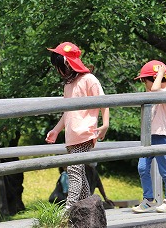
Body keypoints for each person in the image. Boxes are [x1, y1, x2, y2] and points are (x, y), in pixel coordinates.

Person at [45, 42, 110, 210]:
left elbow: (104, 102)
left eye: (58, 66)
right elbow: (68, 112)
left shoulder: (89, 80)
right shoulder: (68, 85)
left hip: (85, 134)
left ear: (67, 64)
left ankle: (68, 211)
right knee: (79, 174)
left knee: (73, 172)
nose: (57, 71)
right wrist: (56, 129)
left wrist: (105, 124)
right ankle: (90, 211)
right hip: (71, 136)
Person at [132, 60, 166, 213]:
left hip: (161, 135)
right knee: (142, 167)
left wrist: (160, 73)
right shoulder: (151, 93)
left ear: (153, 79)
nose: (144, 84)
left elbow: (157, 88)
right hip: (148, 136)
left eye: (145, 80)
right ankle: (149, 199)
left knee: (165, 169)